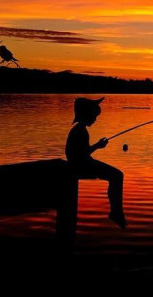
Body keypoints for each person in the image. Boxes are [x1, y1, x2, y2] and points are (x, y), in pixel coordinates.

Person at [65, 97, 126, 229]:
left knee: (115, 175)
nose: (95, 119)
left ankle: (116, 211)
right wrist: (98, 146)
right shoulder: (80, 131)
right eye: (94, 116)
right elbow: (82, 154)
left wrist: (97, 146)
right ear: (87, 114)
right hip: (82, 166)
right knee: (117, 175)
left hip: (82, 163)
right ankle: (116, 212)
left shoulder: (79, 130)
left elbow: (82, 152)